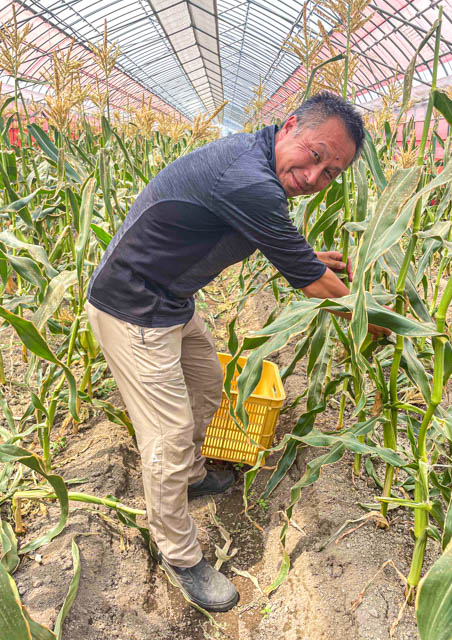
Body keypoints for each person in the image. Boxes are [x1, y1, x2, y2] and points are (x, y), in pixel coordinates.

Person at [86, 91, 389, 613]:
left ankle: (195, 476)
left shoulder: (256, 161)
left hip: (171, 299)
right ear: (290, 125)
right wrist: (379, 320)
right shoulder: (248, 179)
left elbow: (249, 230)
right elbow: (313, 285)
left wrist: (304, 254)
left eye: (331, 173)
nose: (316, 177)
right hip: (132, 308)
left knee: (208, 389)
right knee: (170, 435)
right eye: (315, 156)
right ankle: (180, 555)